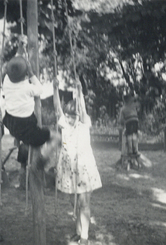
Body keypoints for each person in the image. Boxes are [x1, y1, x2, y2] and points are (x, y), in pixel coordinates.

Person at [53, 78, 102, 245]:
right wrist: (55, 89)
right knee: (72, 202)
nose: (68, 118)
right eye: (67, 115)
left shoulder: (84, 124)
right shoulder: (65, 125)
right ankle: (78, 230)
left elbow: (82, 107)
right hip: (68, 169)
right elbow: (57, 108)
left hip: (83, 169)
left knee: (83, 202)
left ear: (78, 116)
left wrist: (79, 92)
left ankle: (85, 238)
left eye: (71, 116)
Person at [1, 37, 60, 160]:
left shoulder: (6, 81)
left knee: (20, 122)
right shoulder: (27, 87)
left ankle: (18, 139)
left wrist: (20, 49)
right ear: (26, 74)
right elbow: (40, 89)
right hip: (26, 127)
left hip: (9, 121)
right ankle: (44, 157)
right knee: (55, 137)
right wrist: (32, 73)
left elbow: (15, 64)